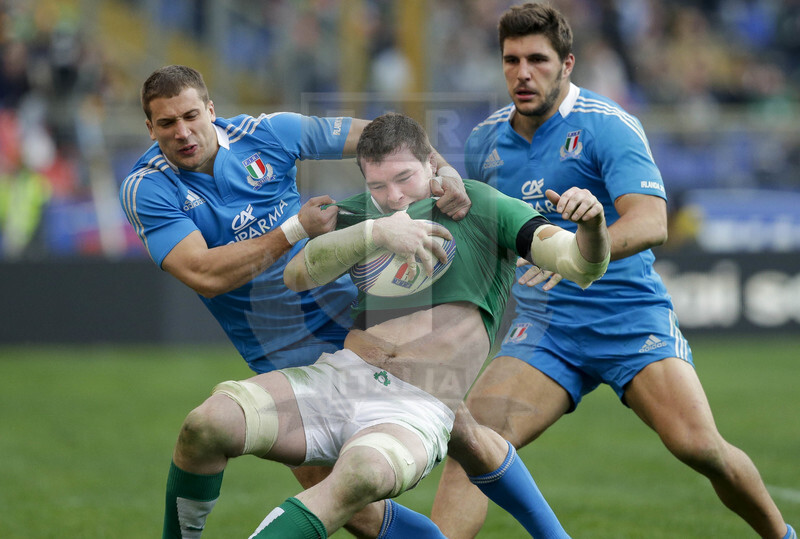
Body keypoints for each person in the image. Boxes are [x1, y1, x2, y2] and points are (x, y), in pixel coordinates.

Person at [430, 4, 796, 539]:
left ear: (568, 63)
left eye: (537, 59)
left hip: (627, 318)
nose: (522, 73)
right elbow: (491, 233)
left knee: (700, 448)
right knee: (471, 445)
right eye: (511, 60)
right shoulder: (485, 143)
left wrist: (578, 255)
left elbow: (652, 222)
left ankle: (782, 536)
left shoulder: (608, 126)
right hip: (547, 329)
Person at [170, 111, 610, 538]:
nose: (394, 196)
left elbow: (579, 263)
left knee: (358, 477)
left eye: (404, 179)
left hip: (417, 404)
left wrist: (592, 224)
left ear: (430, 165)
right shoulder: (364, 214)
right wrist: (376, 233)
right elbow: (297, 274)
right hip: (340, 378)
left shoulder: (479, 206)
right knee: (207, 423)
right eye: (377, 184)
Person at [119, 65, 472, 538]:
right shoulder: (148, 187)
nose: (182, 132)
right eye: (166, 124)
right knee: (352, 508)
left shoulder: (266, 133)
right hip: (278, 352)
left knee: (472, 437)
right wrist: (295, 230)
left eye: (190, 116)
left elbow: (386, 135)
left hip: (357, 326)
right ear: (150, 128)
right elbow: (204, 274)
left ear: (211, 110)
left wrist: (443, 170)